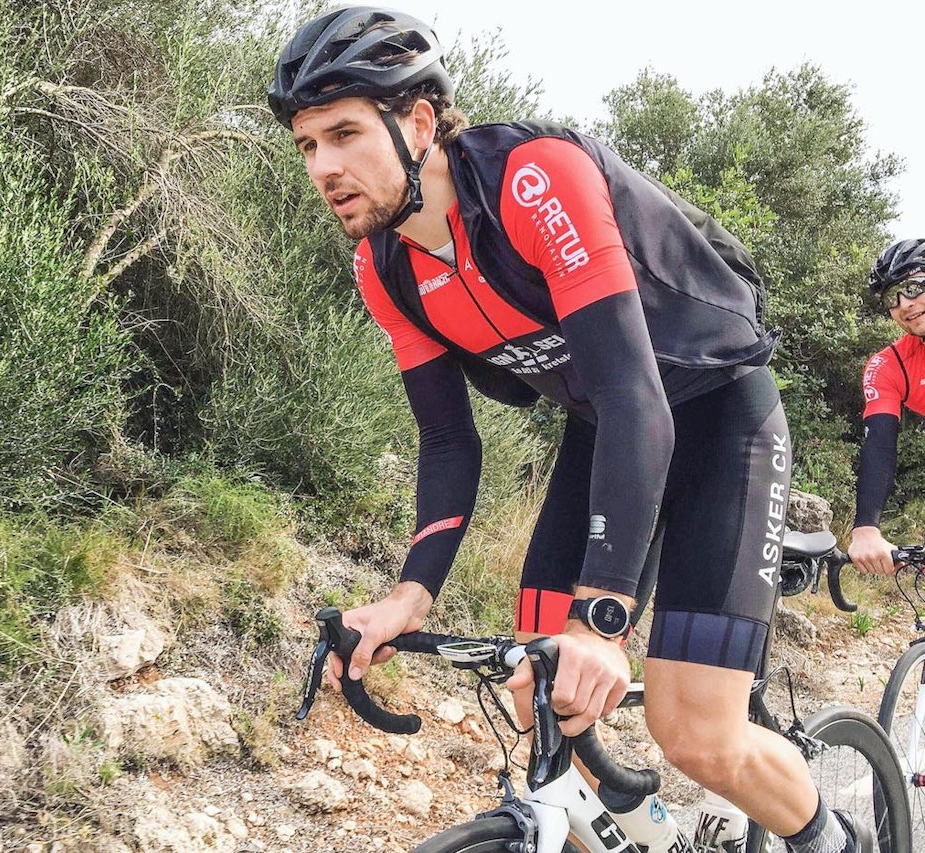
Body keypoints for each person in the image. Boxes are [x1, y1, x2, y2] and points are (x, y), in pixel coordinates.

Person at [268, 6, 868, 852]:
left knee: (695, 732)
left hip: (715, 412)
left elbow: (638, 397)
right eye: (307, 146)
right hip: (610, 430)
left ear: (419, 121)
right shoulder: (385, 265)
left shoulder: (533, 178)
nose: (324, 168)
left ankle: (839, 840)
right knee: (536, 686)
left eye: (343, 134)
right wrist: (410, 593)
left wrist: (603, 620)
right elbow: (448, 442)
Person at [849, 238, 925, 576]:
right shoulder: (890, 366)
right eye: (891, 297)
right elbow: (879, 445)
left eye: (912, 287)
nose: (903, 305)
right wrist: (866, 528)